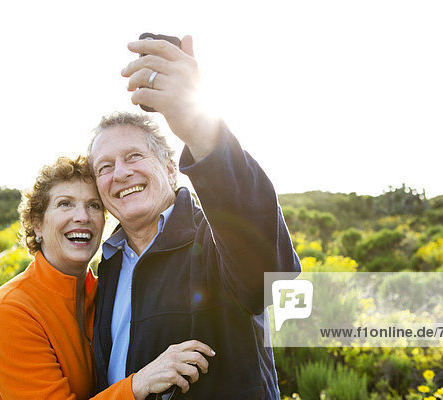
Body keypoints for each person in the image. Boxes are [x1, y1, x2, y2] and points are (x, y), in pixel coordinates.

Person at [89, 36, 302, 399]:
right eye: (104, 167)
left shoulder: (214, 241)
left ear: (171, 169)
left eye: (134, 157)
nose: (120, 173)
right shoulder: (105, 267)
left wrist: (199, 128)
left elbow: (268, 275)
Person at [0, 155, 215, 399]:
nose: (83, 217)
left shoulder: (105, 294)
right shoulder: (10, 310)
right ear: (37, 224)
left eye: (94, 205)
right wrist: (139, 383)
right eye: (65, 203)